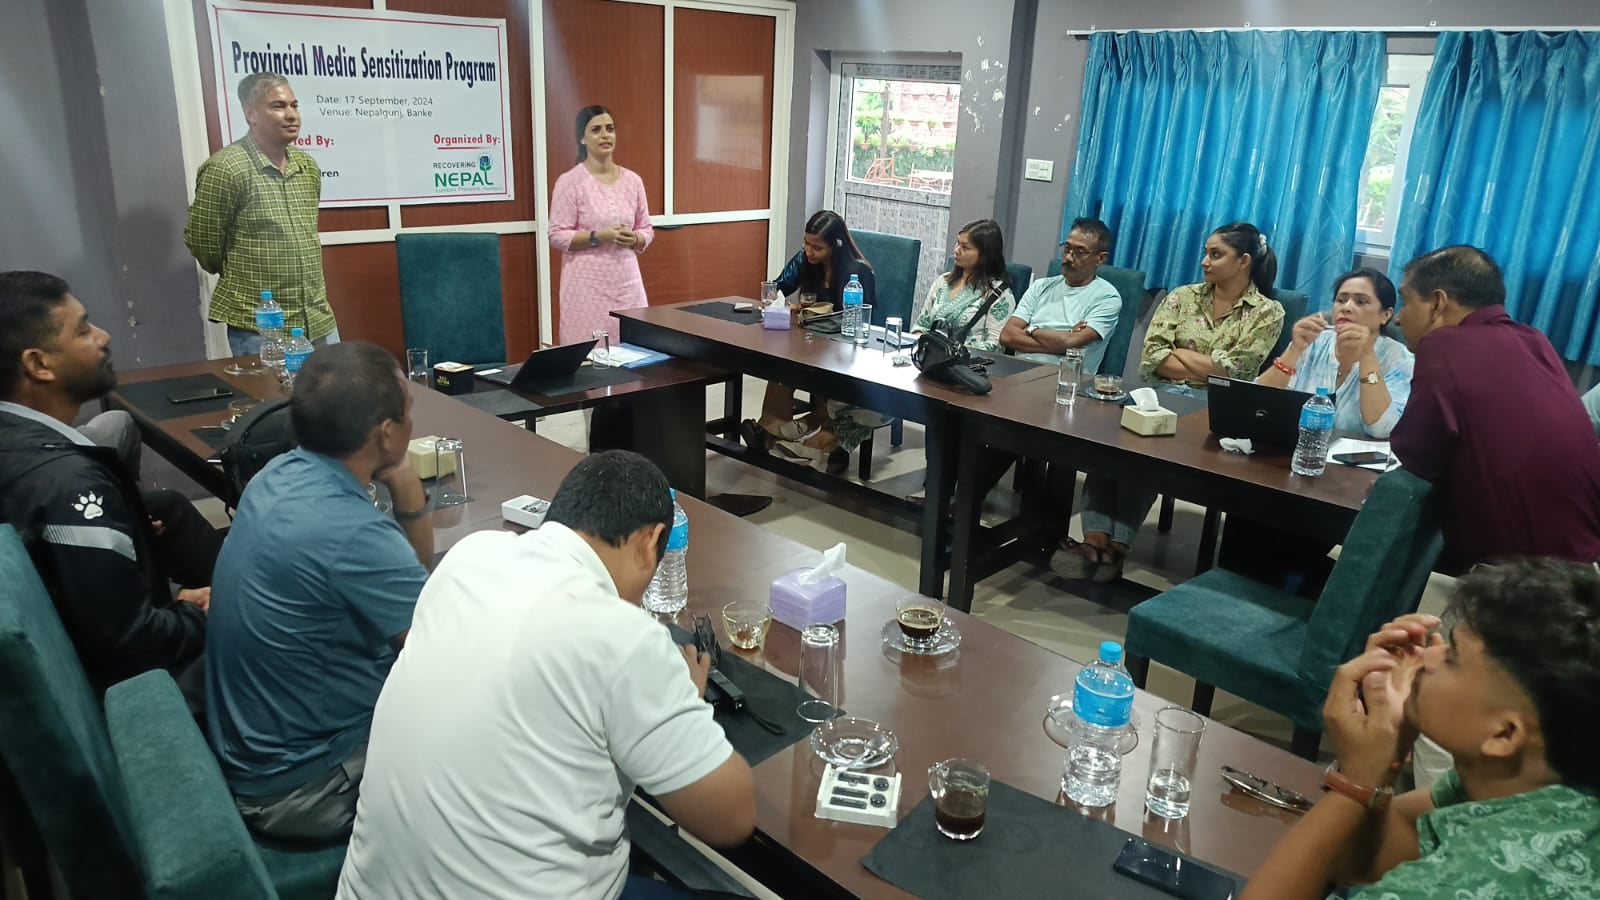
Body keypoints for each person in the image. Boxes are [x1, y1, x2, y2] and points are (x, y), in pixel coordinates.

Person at [336, 451, 755, 900]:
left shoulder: (469, 557)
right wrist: (683, 701)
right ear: (651, 541)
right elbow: (731, 819)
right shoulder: (621, 633)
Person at [1239, 559, 1600, 900]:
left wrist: (1355, 782)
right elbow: (1367, 863)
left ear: (1504, 735)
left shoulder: (1468, 883)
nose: (1427, 656)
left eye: (1452, 657)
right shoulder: (1530, 782)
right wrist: (1383, 759)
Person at [206, 342, 431, 842]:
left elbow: (407, 583)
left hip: (256, 747)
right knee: (499, 728)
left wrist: (403, 483)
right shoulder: (352, 533)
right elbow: (436, 655)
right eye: (409, 411)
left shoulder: (275, 476)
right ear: (386, 433)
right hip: (303, 786)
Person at [0, 271, 219, 691]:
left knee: (167, 505)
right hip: (145, 689)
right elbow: (133, 645)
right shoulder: (69, 483)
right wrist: (201, 613)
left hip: (106, 634)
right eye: (83, 330)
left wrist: (171, 602)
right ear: (38, 364)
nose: (103, 337)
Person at [1054, 222, 1285, 583]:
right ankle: (1096, 540)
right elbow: (1153, 359)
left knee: (1152, 447)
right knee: (1111, 439)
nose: (1205, 261)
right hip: (1158, 394)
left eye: (1216, 254)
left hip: (1214, 408)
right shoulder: (1182, 296)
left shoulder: (1267, 311)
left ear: (1243, 261)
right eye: (1206, 252)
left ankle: (1116, 547)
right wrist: (1211, 364)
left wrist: (1181, 355)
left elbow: (1239, 373)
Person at [1390, 245, 1600, 570]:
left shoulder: (1444, 342)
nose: (1399, 317)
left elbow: (1417, 455)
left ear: (1438, 304)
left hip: (1522, 577)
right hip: (1585, 557)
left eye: (1406, 301)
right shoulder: (1534, 339)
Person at [184, 72, 339, 356]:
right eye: (278, 106)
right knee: (272, 388)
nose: (291, 115)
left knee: (336, 385)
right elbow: (203, 242)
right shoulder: (226, 168)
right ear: (251, 114)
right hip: (261, 327)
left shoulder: (307, 167)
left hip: (317, 319)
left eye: (294, 105)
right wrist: (239, 271)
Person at [742, 210, 877, 473]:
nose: (808, 251)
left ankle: (814, 438)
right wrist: (777, 302)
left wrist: (809, 311)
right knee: (781, 369)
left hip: (844, 352)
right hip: (811, 344)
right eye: (806, 243)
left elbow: (863, 320)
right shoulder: (806, 260)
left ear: (836, 245)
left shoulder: (857, 272)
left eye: (817, 247)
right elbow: (777, 287)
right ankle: (773, 436)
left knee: (810, 373)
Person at [1257, 267, 1413, 437]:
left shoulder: (1399, 359)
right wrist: (1295, 349)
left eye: (1361, 302)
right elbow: (1259, 402)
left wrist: (1367, 355)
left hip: (1358, 453)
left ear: (1386, 315)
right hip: (1297, 444)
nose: (1346, 307)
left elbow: (1382, 429)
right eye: (1341, 300)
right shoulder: (1314, 341)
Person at [549, 105, 653, 346]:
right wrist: (599, 236)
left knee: (636, 352)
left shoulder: (633, 181)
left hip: (627, 284)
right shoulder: (570, 182)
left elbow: (646, 228)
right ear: (582, 138)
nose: (605, 135)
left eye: (610, 129)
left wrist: (636, 238)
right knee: (591, 355)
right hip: (586, 287)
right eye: (596, 130)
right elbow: (556, 235)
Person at [998, 217, 1122, 370]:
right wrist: (1064, 336)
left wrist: (1030, 329)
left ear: (1100, 258)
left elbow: (1069, 343)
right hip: (1018, 371)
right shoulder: (1040, 286)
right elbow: (1007, 336)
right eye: (1067, 248)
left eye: (1080, 252)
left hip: (1066, 378)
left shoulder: (1107, 298)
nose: (1068, 257)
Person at [913, 218, 1016, 354]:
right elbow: (920, 326)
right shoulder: (942, 282)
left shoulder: (1000, 295)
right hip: (929, 357)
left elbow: (995, 346)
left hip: (968, 362)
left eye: (965, 247)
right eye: (958, 243)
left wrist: (952, 351)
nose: (957, 250)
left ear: (985, 255)